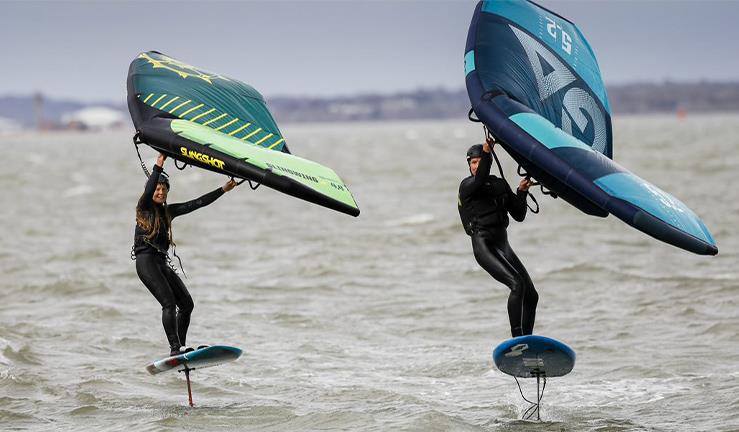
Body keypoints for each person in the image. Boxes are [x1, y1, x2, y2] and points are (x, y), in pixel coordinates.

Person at [134, 153, 237, 356]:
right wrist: (158, 166)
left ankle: (180, 346)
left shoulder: (168, 212)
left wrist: (223, 190)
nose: (160, 192)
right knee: (168, 303)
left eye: (164, 189)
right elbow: (148, 189)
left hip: (161, 262)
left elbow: (197, 203)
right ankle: (174, 348)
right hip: (146, 262)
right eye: (157, 189)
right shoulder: (144, 207)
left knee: (187, 305)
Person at [458, 137, 538, 337]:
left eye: (478, 161)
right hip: (483, 245)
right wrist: (486, 151)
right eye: (472, 163)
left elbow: (518, 215)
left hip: (503, 244)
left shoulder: (499, 184)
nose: (475, 166)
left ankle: (528, 341)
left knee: (531, 295)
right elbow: (481, 176)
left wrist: (521, 192)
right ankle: (517, 340)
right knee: (516, 285)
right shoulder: (468, 186)